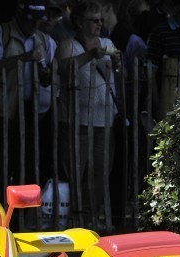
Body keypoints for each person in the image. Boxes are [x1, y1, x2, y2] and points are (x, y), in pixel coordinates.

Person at [56, 0, 120, 228]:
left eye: (101, 20)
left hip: (104, 121)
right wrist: (90, 55)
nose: (99, 25)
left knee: (100, 171)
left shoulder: (107, 43)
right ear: (80, 22)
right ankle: (74, 218)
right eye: (94, 20)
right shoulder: (68, 45)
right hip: (76, 122)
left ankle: (91, 218)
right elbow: (63, 70)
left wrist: (116, 64)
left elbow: (117, 75)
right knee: (74, 171)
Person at [0, 0, 56, 200]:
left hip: (33, 109)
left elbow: (51, 74)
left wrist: (46, 75)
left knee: (27, 160)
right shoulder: (1, 33)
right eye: (30, 20)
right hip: (4, 108)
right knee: (0, 163)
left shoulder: (44, 40)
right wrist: (22, 58)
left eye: (38, 21)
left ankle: (22, 209)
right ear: (19, 14)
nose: (34, 25)